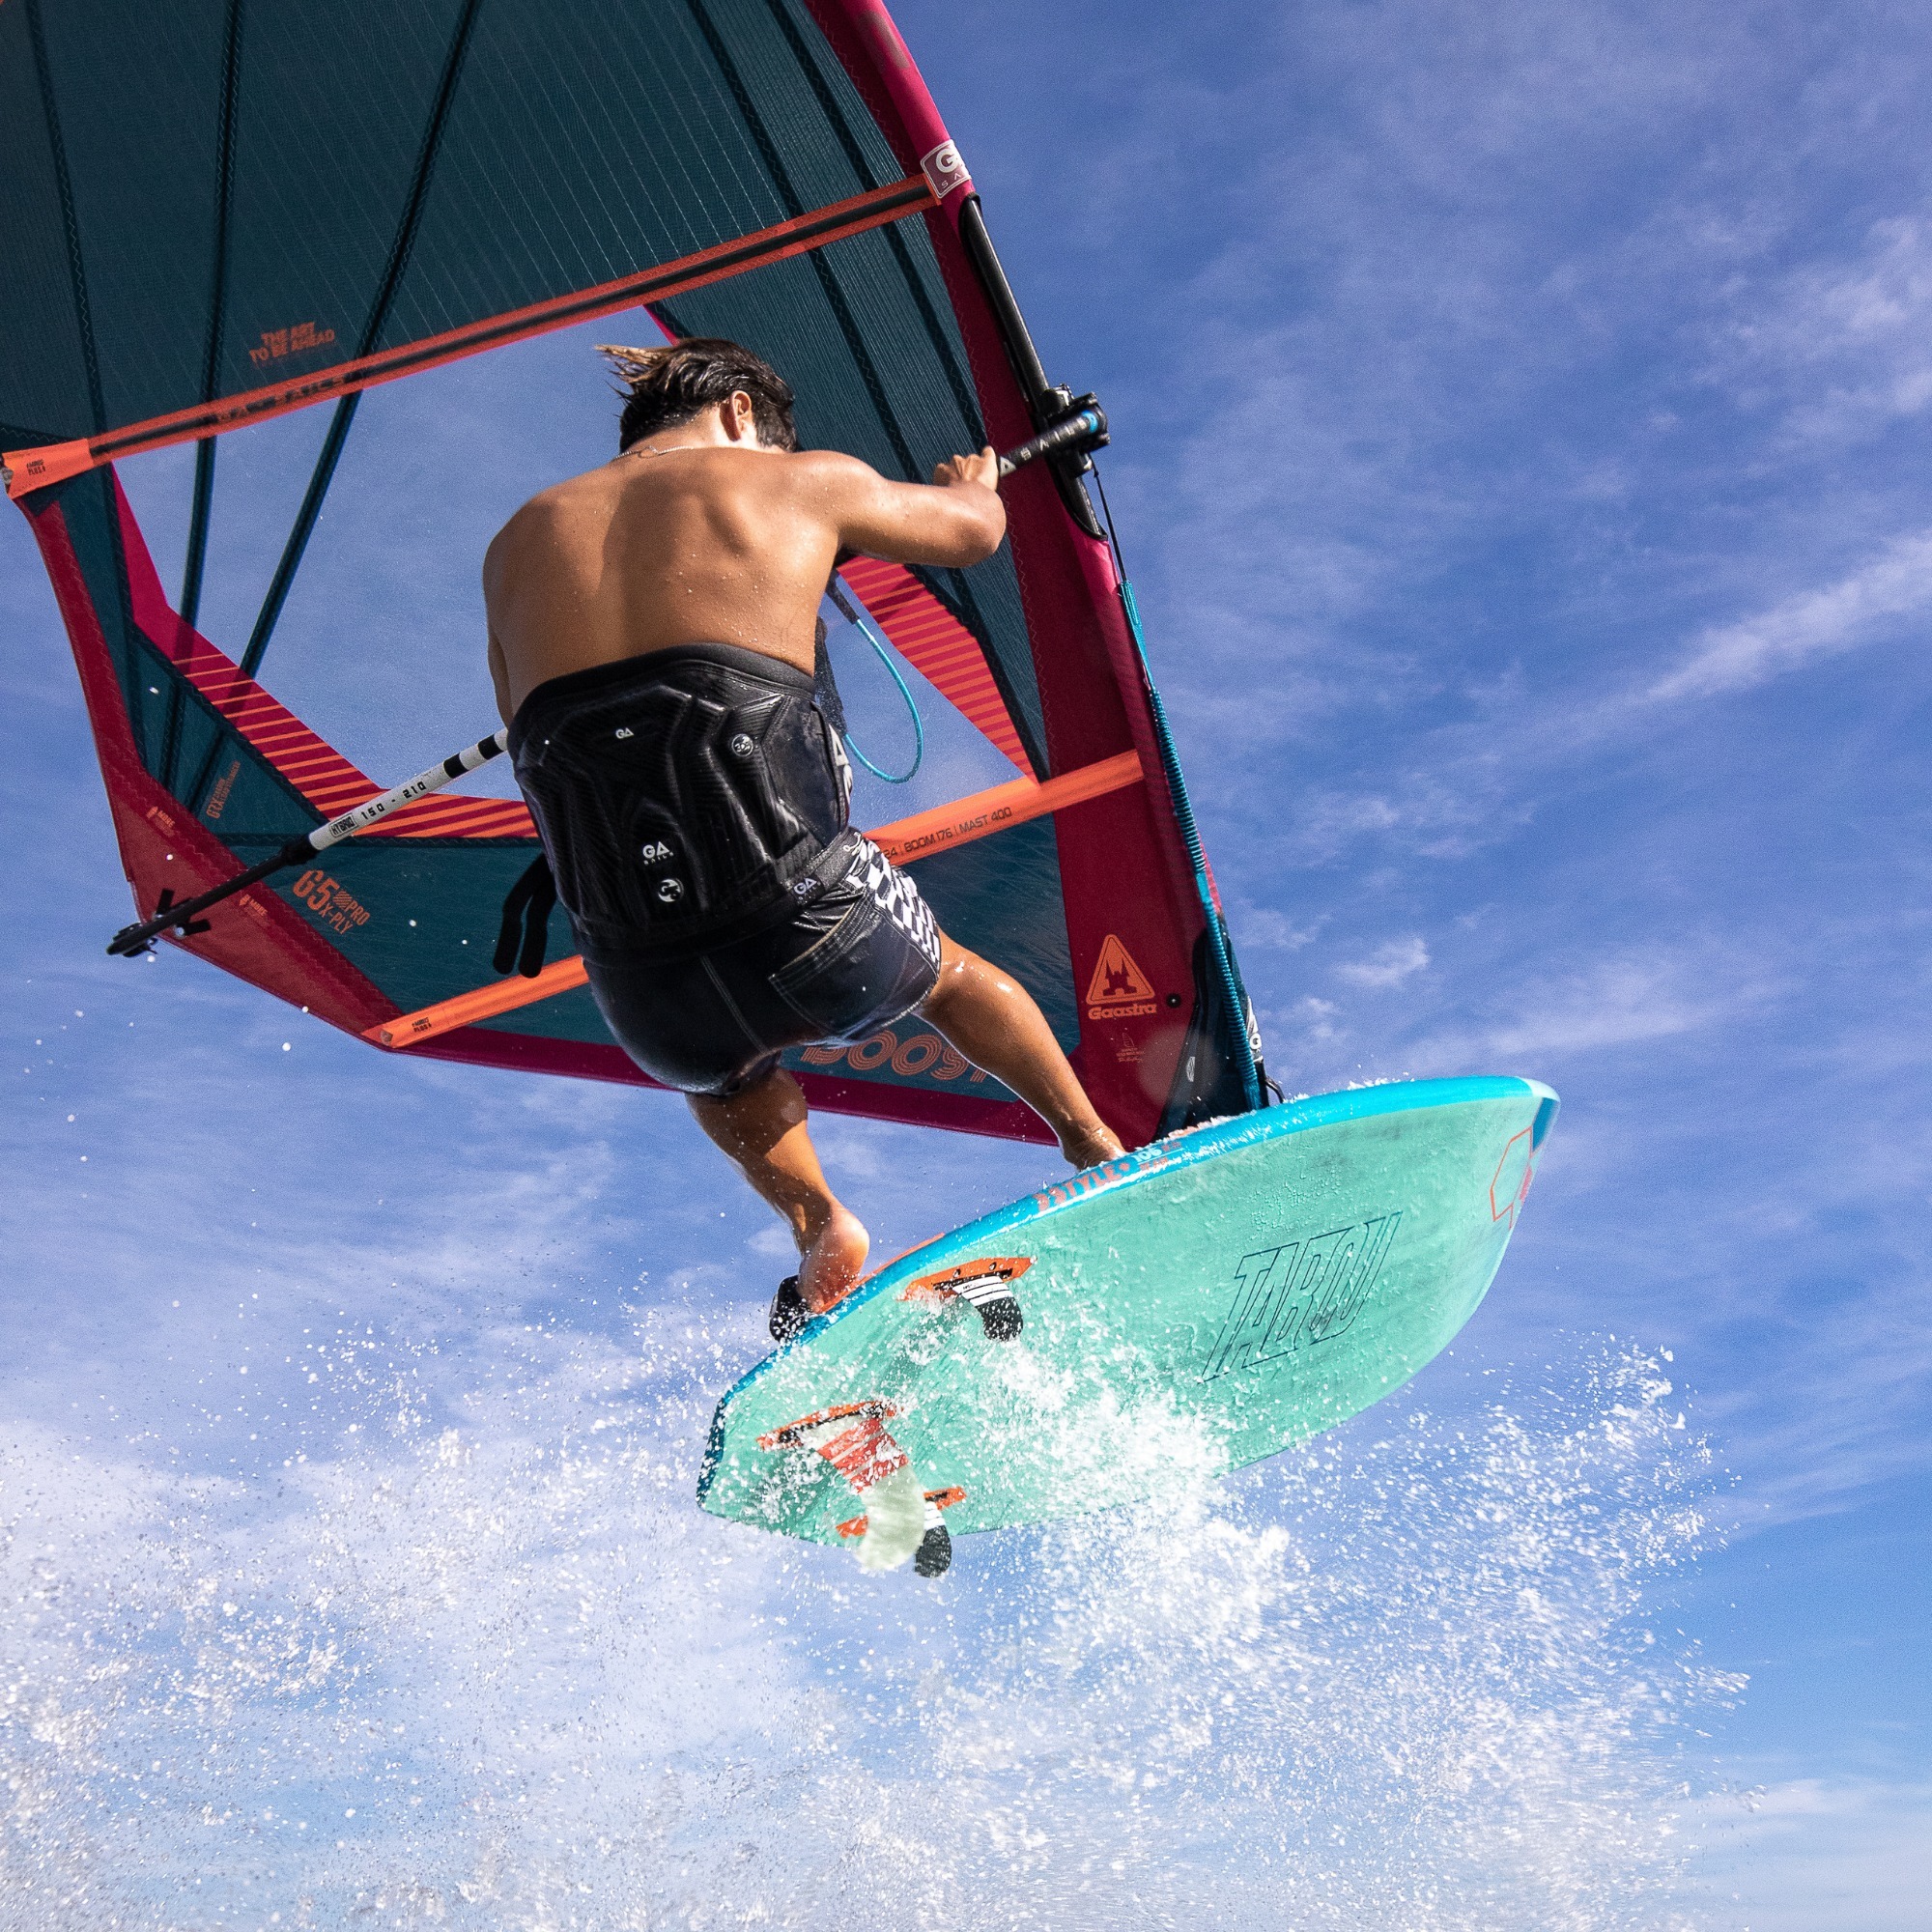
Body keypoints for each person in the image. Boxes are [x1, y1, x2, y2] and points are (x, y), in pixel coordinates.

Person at [484, 337, 1123, 1337]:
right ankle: (1094, 1146)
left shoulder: (515, 542)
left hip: (646, 993)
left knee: (723, 1079)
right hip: (816, 923)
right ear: (741, 413)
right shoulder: (801, 480)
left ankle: (820, 1221)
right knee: (951, 978)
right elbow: (970, 535)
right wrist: (972, 486)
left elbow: (528, 725)